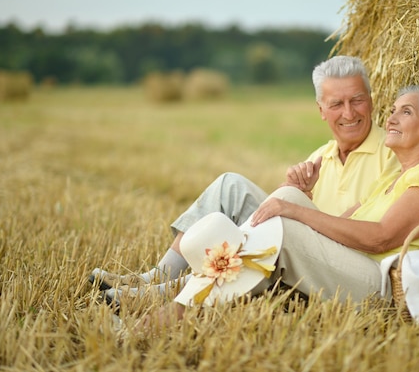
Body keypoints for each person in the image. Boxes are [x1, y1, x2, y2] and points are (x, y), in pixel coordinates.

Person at [141, 83, 419, 327]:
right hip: (354, 267)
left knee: (285, 220)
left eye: (406, 112)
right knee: (286, 197)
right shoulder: (393, 178)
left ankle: (173, 306)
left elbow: (381, 237)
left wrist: (295, 215)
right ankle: (185, 286)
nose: (392, 117)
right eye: (394, 109)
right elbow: (340, 225)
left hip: (385, 289)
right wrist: (298, 200)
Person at [89, 55, 401, 300]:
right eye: (336, 104)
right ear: (321, 110)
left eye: (357, 100)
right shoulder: (320, 155)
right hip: (296, 251)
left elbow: (364, 228)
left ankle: (166, 292)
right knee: (230, 185)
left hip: (338, 265)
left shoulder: (393, 153)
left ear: (372, 100)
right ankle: (157, 276)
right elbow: (280, 212)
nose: (349, 113)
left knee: (266, 226)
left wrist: (295, 208)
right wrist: (295, 191)